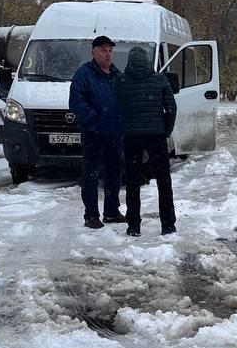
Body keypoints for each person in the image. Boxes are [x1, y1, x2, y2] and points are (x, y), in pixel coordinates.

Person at [114, 46, 177, 237]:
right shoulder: (159, 79)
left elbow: (116, 108)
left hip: (131, 136)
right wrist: (165, 130)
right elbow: (171, 108)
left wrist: (124, 127)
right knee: (163, 180)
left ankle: (134, 225)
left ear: (129, 62)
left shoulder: (121, 81)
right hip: (156, 135)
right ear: (147, 61)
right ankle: (168, 224)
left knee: (133, 181)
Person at [69, 35, 126, 229]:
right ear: (93, 52)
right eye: (103, 50)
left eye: (110, 50)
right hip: (93, 133)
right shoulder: (84, 74)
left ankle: (111, 211)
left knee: (114, 173)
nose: (107, 54)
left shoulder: (117, 75)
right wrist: (96, 120)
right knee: (91, 175)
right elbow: (77, 103)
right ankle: (91, 215)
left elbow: (124, 102)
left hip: (115, 134)